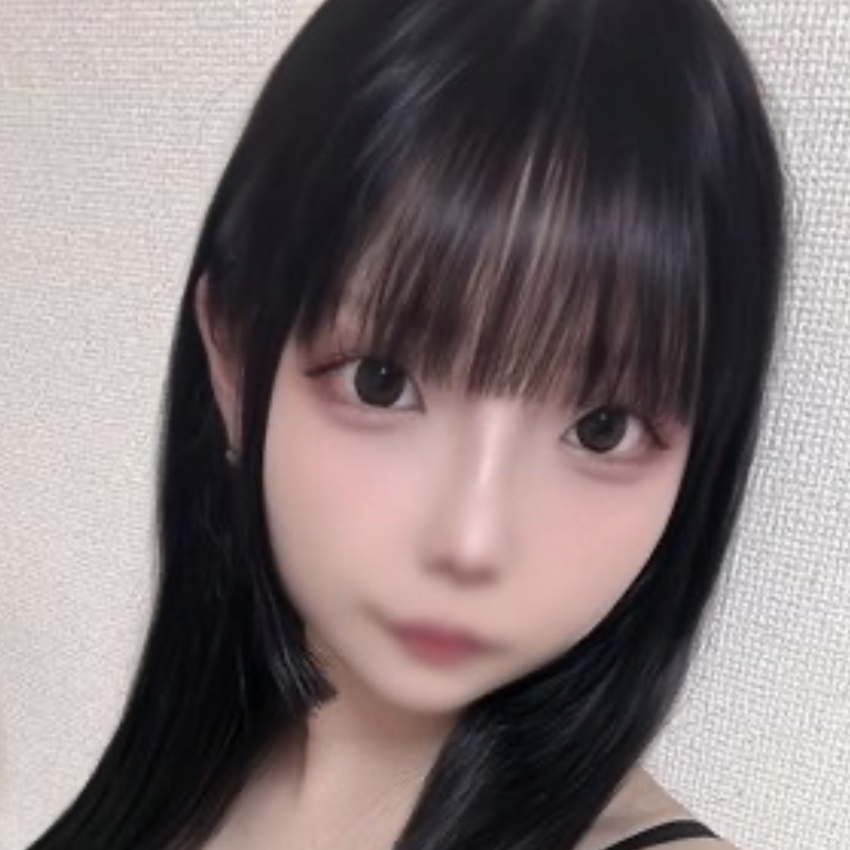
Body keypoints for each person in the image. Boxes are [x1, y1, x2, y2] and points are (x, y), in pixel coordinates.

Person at [24, 0, 786, 848]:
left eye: (603, 428)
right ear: (233, 364)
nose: (471, 540)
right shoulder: (191, 766)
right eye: (381, 383)